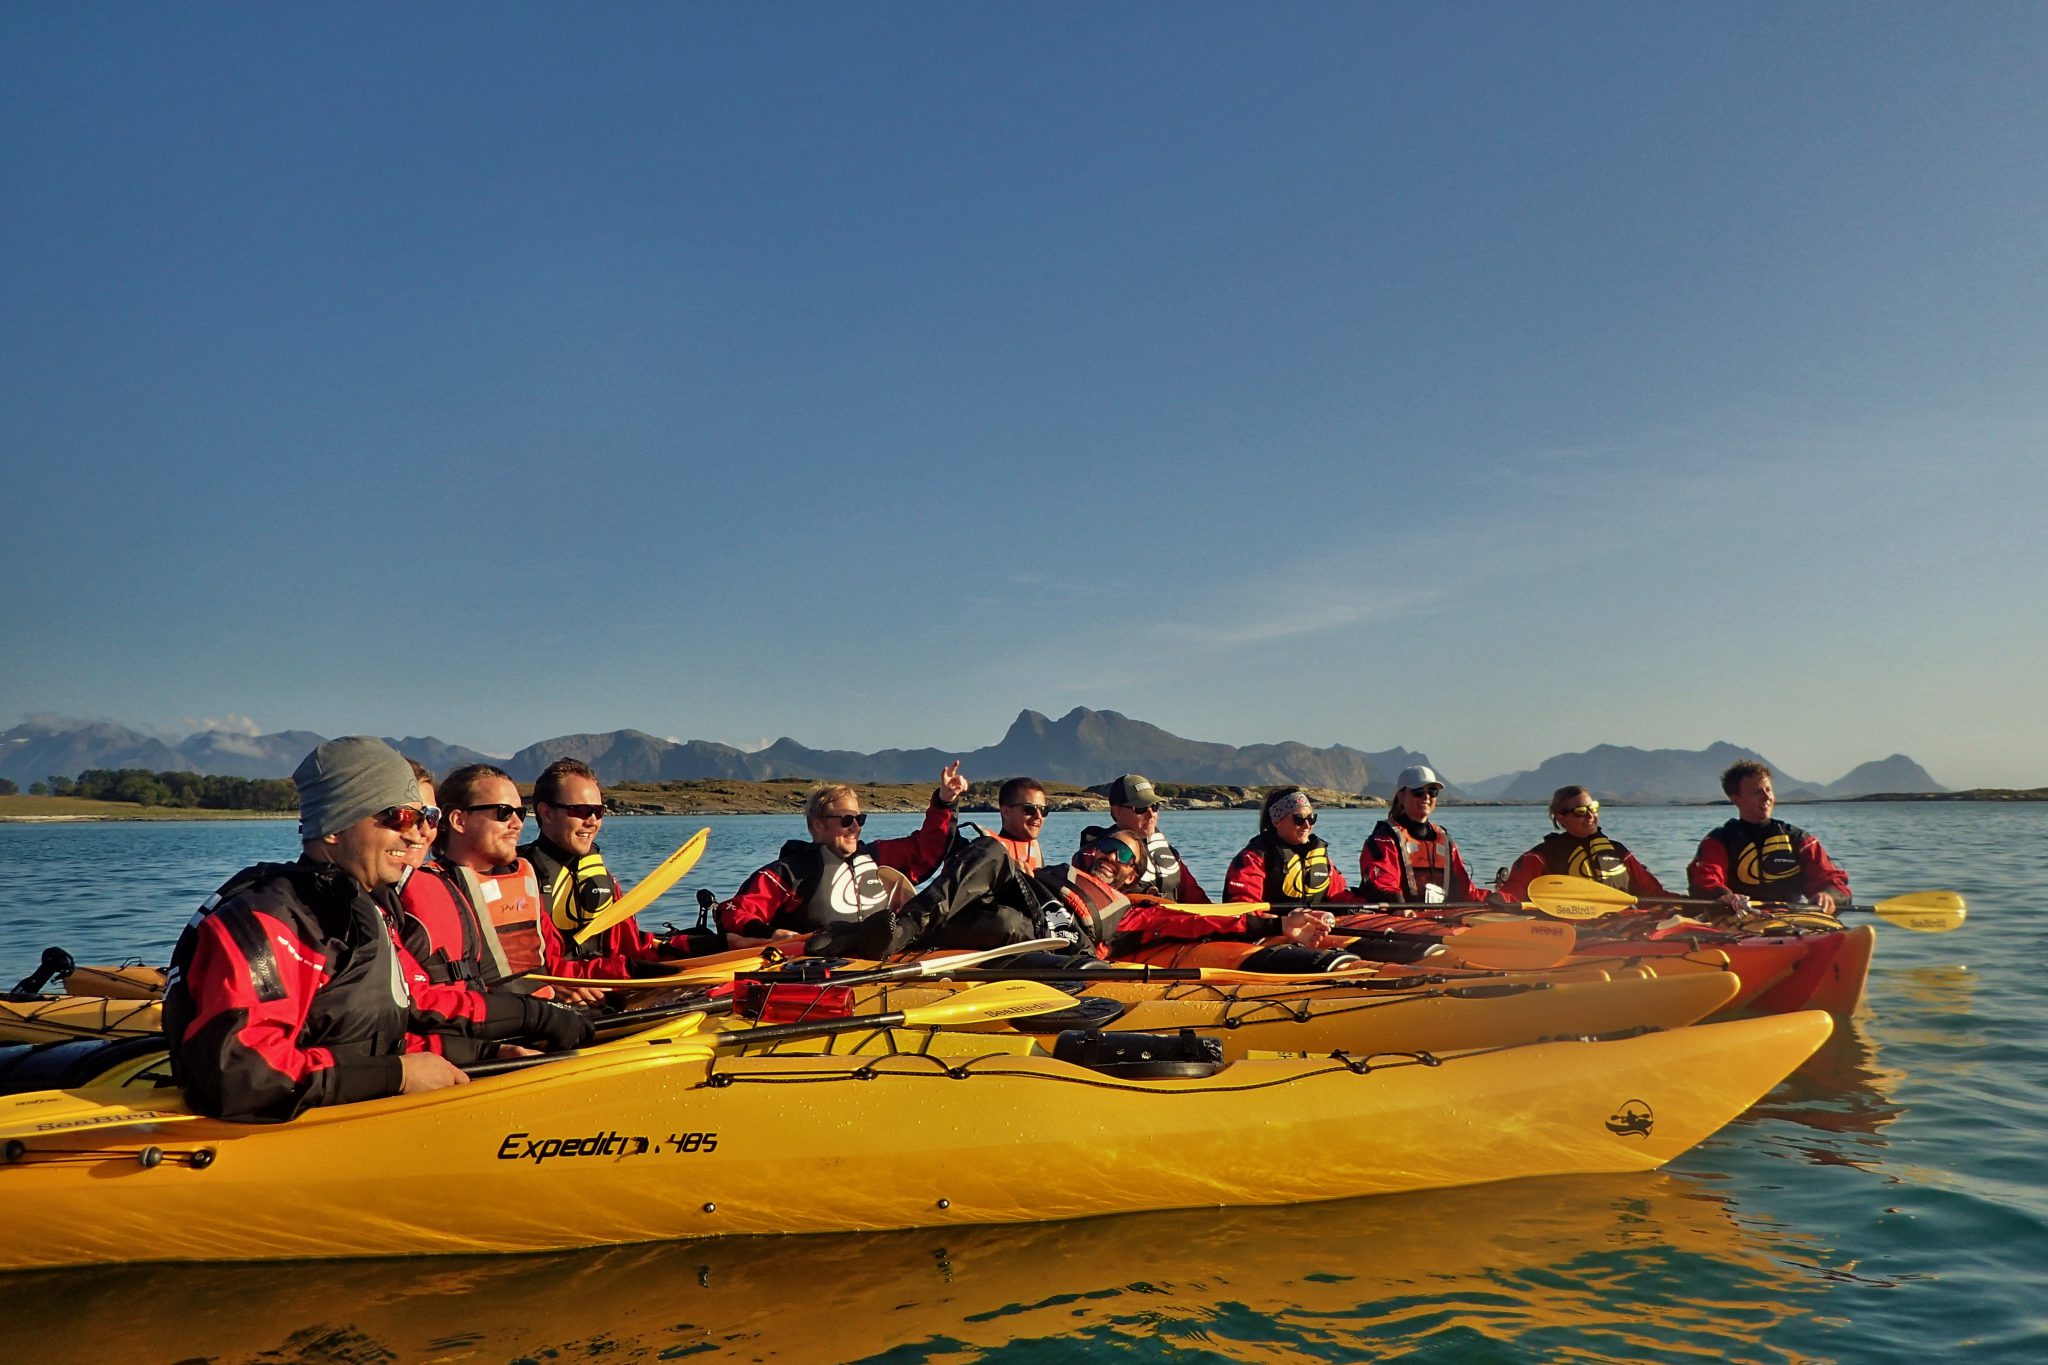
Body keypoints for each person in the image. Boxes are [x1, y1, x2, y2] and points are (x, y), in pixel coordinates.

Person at [162, 737, 591, 1123]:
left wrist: (490, 1053)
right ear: (333, 826)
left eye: (424, 817)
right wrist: (398, 1076)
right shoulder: (268, 921)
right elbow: (241, 1076)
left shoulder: (362, 908)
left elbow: (378, 1035)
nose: (416, 834)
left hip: (364, 1108)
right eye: (398, 816)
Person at [846, 829, 1338, 961]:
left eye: (1123, 857)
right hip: (1009, 910)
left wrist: (1277, 926)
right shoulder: (1048, 871)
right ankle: (887, 934)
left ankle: (899, 932)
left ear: (1133, 876)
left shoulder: (1137, 910)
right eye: (1104, 847)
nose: (1108, 857)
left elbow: (1198, 922)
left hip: (1056, 940)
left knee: (1009, 927)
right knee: (991, 853)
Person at [717, 762, 969, 948]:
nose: (856, 827)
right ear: (818, 825)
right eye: (847, 820)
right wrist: (771, 934)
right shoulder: (789, 872)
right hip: (820, 962)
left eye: (860, 819)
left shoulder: (878, 857)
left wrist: (945, 801)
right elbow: (732, 911)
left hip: (880, 957)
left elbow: (927, 847)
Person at [520, 758, 709, 986]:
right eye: (580, 810)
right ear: (546, 814)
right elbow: (526, 969)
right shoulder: (518, 878)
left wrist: (714, 945)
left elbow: (631, 948)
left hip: (606, 987)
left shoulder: (603, 878)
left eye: (598, 811)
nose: (592, 821)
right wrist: (623, 971)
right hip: (555, 995)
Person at [397, 763, 554, 994]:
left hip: (540, 1008)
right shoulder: (421, 894)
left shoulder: (523, 881)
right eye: (503, 813)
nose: (518, 824)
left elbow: (556, 961)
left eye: (519, 813)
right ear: (459, 821)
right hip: (490, 1019)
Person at [1687, 760, 1851, 914]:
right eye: (1757, 792)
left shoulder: (1799, 840)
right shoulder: (1718, 841)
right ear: (1735, 798)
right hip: (1738, 919)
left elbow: (1831, 879)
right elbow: (1705, 880)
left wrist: (1829, 895)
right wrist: (1723, 896)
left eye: (1768, 790)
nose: (1766, 798)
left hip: (1791, 919)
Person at [1359, 766, 1512, 908]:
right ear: (1401, 795)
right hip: (1400, 920)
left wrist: (1499, 899)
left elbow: (1465, 889)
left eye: (1432, 791)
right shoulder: (1384, 839)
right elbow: (1382, 883)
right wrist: (1398, 907)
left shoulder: (1444, 840)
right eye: (1418, 791)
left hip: (1441, 920)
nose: (1426, 797)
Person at [1498, 786, 1675, 901]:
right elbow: (1514, 893)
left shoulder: (1618, 851)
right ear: (1561, 818)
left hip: (1624, 924)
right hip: (1570, 930)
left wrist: (1692, 905)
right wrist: (1498, 900)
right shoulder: (1542, 855)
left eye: (1594, 808)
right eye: (1580, 812)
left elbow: (1653, 893)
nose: (1590, 816)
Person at [1077, 773, 1210, 902]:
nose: (1151, 814)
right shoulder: (1097, 856)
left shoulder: (1168, 854)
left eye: (1155, 806)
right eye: (1140, 808)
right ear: (1116, 812)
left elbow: (1198, 901)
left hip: (1171, 920)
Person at [1224, 787, 1369, 905]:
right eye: (1298, 819)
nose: (1307, 825)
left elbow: (1340, 896)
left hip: (1315, 929)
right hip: (1271, 932)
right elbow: (1244, 907)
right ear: (1277, 821)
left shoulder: (1320, 856)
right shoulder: (1254, 858)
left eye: (1311, 818)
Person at [987, 776, 1048, 873]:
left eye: (1044, 810)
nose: (1039, 816)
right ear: (1006, 812)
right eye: (1030, 809)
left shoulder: (1035, 850)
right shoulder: (987, 851)